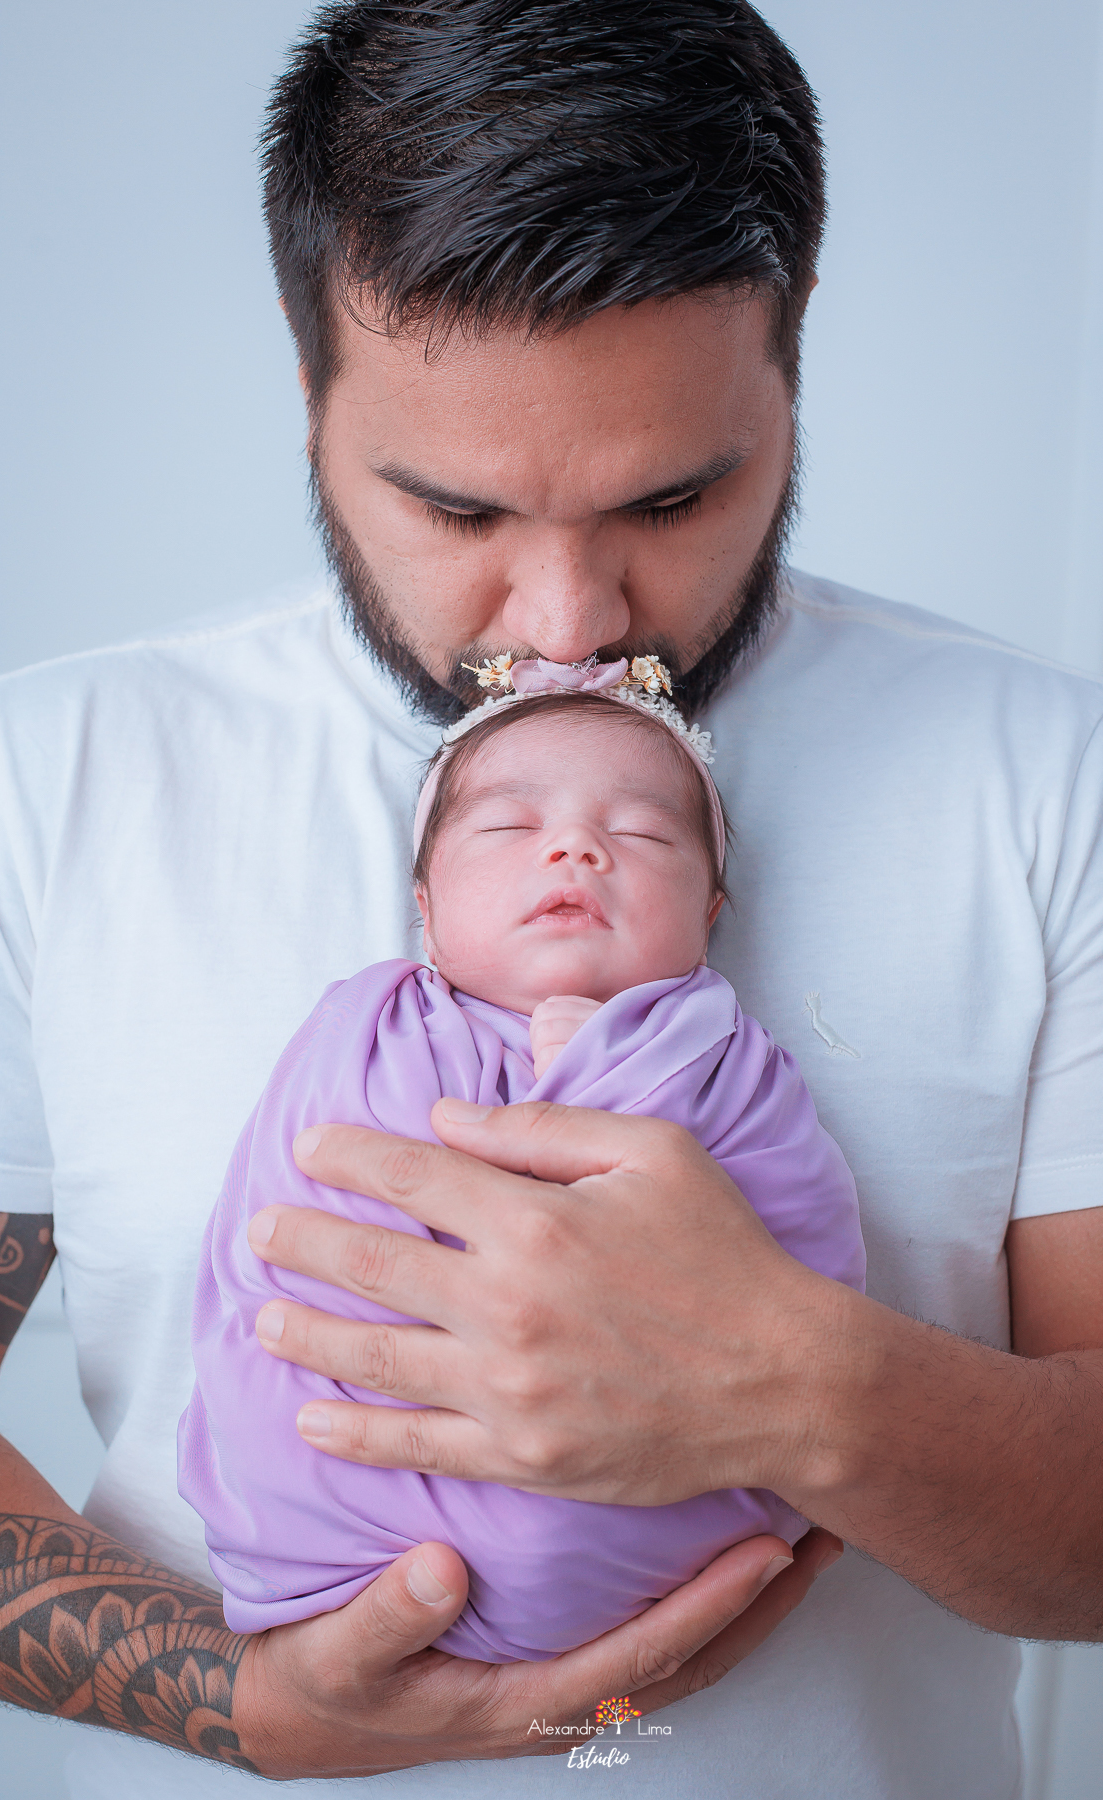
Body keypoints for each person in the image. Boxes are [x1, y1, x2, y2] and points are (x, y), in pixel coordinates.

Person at [0, 2, 1103, 1796]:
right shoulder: (48, 779)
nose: (569, 625)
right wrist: (245, 1707)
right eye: (458, 511)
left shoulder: (1057, 777)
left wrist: (797, 1390)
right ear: (307, 374)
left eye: (675, 495)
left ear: (794, 343)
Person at [178, 669, 866, 1658]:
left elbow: (790, 1232)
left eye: (644, 834)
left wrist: (617, 1083)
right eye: (508, 825)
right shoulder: (369, 1026)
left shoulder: (720, 1056)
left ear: (710, 913)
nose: (576, 847)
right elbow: (300, 1198)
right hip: (341, 1486)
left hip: (638, 1511)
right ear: (425, 905)